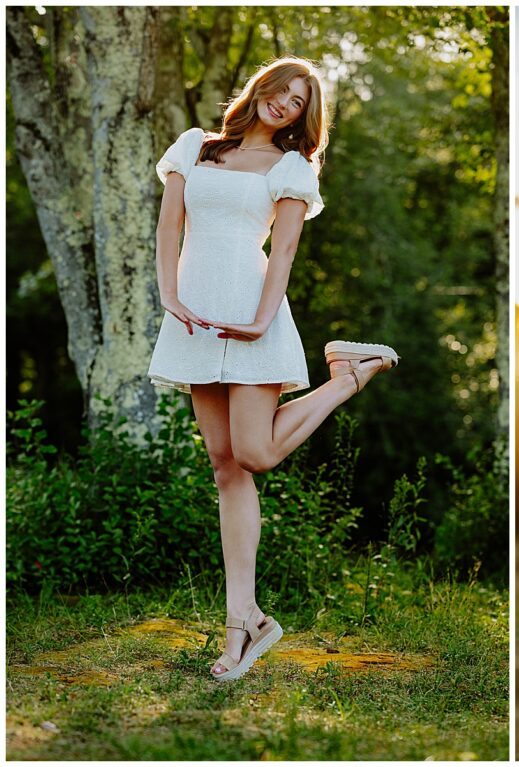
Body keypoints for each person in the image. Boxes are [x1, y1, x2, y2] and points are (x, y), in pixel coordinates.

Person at [147, 56, 398, 681]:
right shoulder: (195, 148)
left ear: (304, 117)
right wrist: (169, 297)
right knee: (225, 467)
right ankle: (246, 623)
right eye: (280, 90)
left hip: (252, 311)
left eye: (298, 101)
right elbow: (168, 227)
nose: (284, 103)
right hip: (194, 317)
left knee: (254, 454)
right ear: (260, 89)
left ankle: (344, 377)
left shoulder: (292, 168)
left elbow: (283, 248)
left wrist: (261, 321)